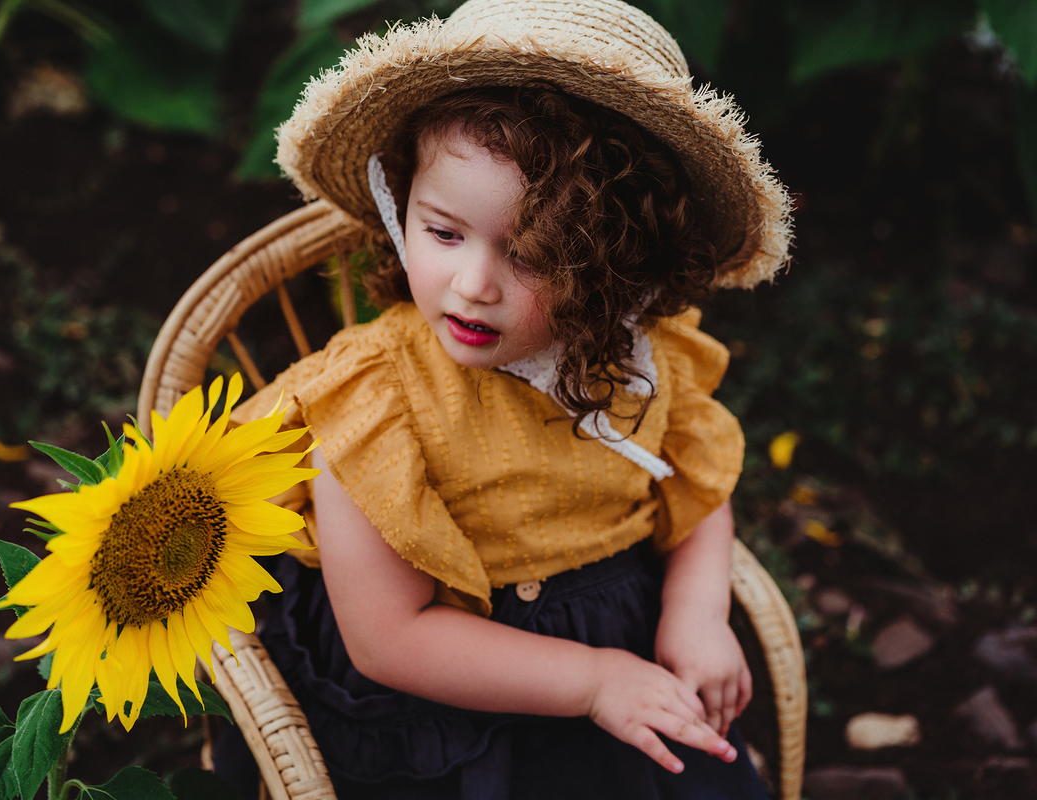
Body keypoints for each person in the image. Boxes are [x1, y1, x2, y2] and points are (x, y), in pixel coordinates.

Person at [214, 0, 792, 796]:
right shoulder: (372, 398)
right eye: (443, 233)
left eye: (529, 255)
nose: (472, 285)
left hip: (628, 654)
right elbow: (388, 638)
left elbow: (693, 491)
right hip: (443, 702)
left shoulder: (646, 365)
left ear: (617, 266)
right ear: (402, 206)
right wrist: (592, 682)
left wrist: (695, 614)